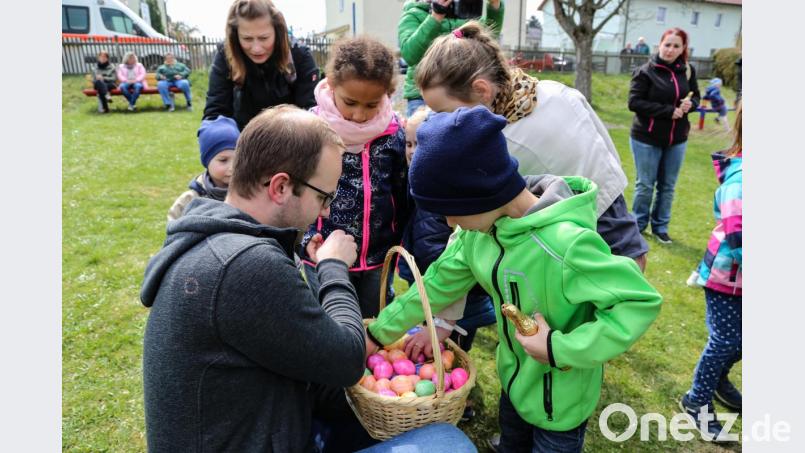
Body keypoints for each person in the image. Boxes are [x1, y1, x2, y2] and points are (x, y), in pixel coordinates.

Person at [141, 105, 474, 452]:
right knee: (449, 443)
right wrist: (333, 267)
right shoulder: (244, 265)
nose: (327, 211)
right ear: (281, 187)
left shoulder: (221, 237)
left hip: (271, 421)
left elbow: (308, 347)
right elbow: (347, 360)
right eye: (323, 196)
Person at [365, 105, 662, 453]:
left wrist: (559, 349)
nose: (448, 224)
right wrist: (376, 333)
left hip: (560, 403)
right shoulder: (476, 235)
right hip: (514, 382)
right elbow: (434, 285)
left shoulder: (565, 245)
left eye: (449, 211)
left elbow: (639, 301)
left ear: (477, 194)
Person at [413, 22, 648, 271]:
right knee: (628, 271)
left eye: (444, 112)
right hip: (610, 200)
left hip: (591, 219)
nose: (439, 122)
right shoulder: (553, 90)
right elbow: (605, 143)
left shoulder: (496, 142)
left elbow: (474, 210)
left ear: (481, 90)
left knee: (614, 283)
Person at [300, 36, 409, 318]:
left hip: (378, 258)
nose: (359, 115)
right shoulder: (310, 132)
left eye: (371, 105)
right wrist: (307, 239)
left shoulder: (394, 133)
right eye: (350, 102)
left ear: (387, 94)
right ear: (332, 84)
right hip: (323, 254)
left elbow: (401, 190)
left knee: (375, 323)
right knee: (330, 325)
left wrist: (400, 240)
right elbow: (295, 194)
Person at [680, 102, 742, 442]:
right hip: (726, 277)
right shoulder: (742, 179)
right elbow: (737, 230)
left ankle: (718, 379)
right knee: (725, 339)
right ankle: (697, 401)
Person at [628, 27, 700, 244]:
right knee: (645, 185)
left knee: (667, 186)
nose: (670, 49)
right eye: (667, 44)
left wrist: (691, 104)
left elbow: (696, 96)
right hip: (646, 138)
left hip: (677, 139)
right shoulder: (645, 71)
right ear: (660, 44)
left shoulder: (688, 70)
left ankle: (660, 227)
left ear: (683, 49)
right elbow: (634, 102)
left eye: (676, 46)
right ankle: (638, 226)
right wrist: (669, 111)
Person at [203, 0, 319, 129]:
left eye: (264, 38)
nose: (256, 49)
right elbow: (215, 114)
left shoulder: (299, 56)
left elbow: (312, 112)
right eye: (247, 39)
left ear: (277, 32)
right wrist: (222, 143)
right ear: (236, 36)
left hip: (292, 137)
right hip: (241, 139)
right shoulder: (226, 56)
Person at [398, 0, 504, 116]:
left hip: (461, 91)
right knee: (423, 132)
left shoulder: (466, 13)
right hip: (426, 94)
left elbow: (488, 35)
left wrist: (494, 5)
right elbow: (410, 55)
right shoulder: (414, 14)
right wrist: (435, 17)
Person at [167, 116, 239, 221]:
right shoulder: (190, 200)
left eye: (238, 158)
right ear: (207, 162)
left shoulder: (249, 193)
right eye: (223, 160)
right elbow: (173, 229)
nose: (233, 167)